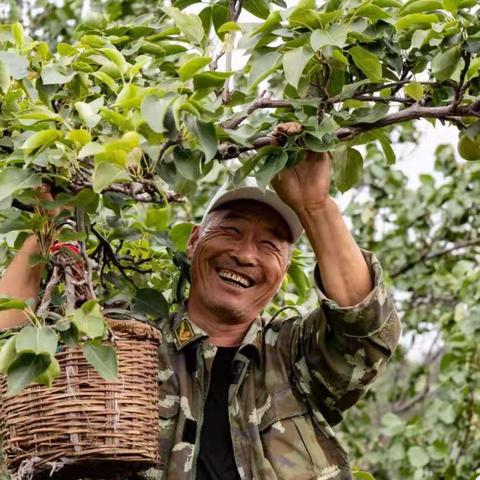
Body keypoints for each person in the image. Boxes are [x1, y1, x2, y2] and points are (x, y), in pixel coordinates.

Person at [0, 123, 401, 480]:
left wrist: (316, 206)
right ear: (194, 242)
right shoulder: (129, 348)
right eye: (231, 231)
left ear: (283, 269)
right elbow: (10, 349)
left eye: (268, 245)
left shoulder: (294, 356)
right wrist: (49, 219)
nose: (246, 255)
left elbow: (365, 328)